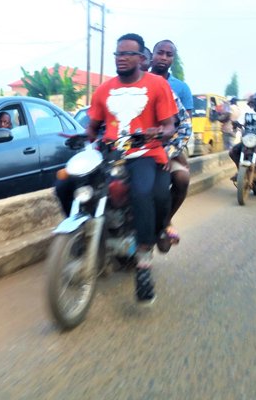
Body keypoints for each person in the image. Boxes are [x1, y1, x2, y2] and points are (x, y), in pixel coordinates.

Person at [56, 33, 177, 304]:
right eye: (118, 54)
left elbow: (170, 126)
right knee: (65, 184)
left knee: (143, 191)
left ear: (141, 58)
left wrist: (156, 132)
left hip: (143, 152)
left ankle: (144, 262)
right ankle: (81, 237)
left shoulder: (157, 85)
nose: (121, 58)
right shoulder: (103, 89)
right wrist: (82, 137)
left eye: (127, 54)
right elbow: (92, 127)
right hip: (108, 152)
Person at [149, 39, 194, 252]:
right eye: (160, 53)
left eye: (169, 55)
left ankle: (166, 221)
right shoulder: (136, 80)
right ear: (151, 55)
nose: (164, 58)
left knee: (181, 178)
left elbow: (185, 126)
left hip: (170, 146)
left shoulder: (179, 88)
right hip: (134, 146)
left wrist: (168, 151)